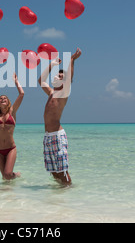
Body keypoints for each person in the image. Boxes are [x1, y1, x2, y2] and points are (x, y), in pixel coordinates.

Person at [38, 48, 82, 185]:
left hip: (57, 135)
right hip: (48, 136)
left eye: (62, 77)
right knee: (53, 172)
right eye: (58, 75)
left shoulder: (63, 94)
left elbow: (69, 79)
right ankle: (60, 197)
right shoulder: (51, 92)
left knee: (62, 171)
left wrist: (72, 60)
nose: (59, 77)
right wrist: (52, 64)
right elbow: (41, 80)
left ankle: (68, 190)